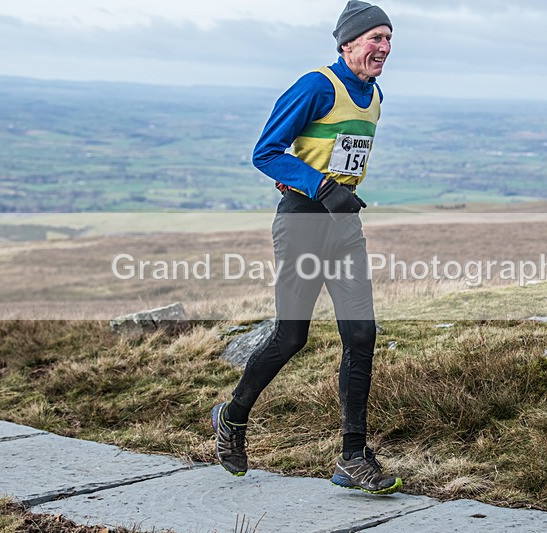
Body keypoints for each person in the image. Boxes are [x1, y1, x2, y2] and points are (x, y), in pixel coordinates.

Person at [210, 1, 401, 495]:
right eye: (373, 38)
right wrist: (319, 186)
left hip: (343, 227)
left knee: (362, 335)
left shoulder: (375, 93)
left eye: (388, 38)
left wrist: (338, 192)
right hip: (303, 223)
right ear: (347, 44)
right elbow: (266, 151)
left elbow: (337, 155)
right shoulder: (317, 85)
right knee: (291, 336)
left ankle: (353, 457)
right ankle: (232, 417)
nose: (382, 47)